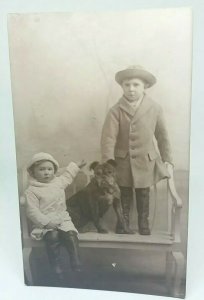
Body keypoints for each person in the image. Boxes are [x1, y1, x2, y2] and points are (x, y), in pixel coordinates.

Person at [101, 65, 173, 235]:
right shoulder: (115, 110)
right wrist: (107, 165)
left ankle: (143, 224)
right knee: (124, 193)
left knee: (143, 193)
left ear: (145, 86)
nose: (131, 89)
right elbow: (108, 139)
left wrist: (167, 159)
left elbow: (162, 136)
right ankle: (123, 223)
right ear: (122, 87)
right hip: (122, 161)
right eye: (127, 85)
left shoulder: (155, 108)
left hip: (146, 160)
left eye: (136, 85)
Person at [24, 152, 86, 281]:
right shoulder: (32, 190)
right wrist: (46, 222)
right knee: (52, 236)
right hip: (45, 221)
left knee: (70, 234)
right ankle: (56, 266)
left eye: (49, 169)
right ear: (33, 172)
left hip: (62, 218)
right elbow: (32, 211)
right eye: (41, 169)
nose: (46, 172)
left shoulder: (58, 182)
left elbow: (68, 176)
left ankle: (76, 262)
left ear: (54, 171)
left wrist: (77, 166)